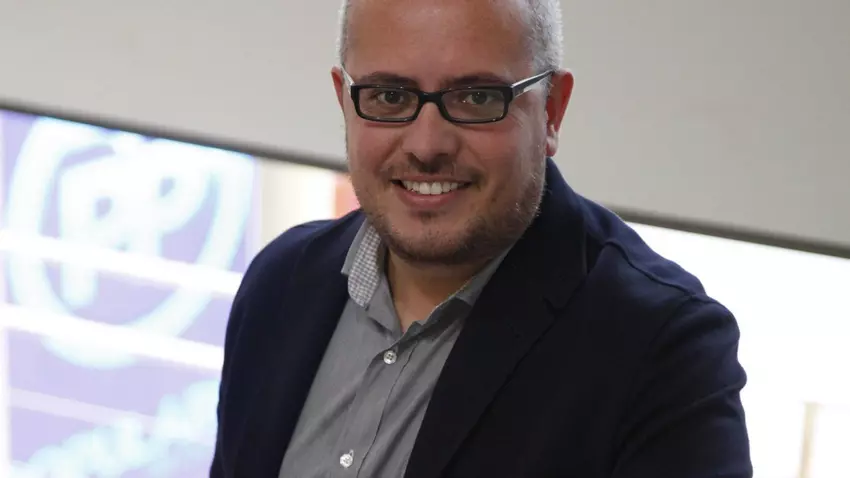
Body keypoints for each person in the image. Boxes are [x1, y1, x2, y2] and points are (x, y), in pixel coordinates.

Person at [210, 0, 752, 476]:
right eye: (389, 96)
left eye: (475, 98)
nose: (427, 145)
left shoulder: (664, 350)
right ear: (344, 101)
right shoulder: (279, 283)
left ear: (552, 111)